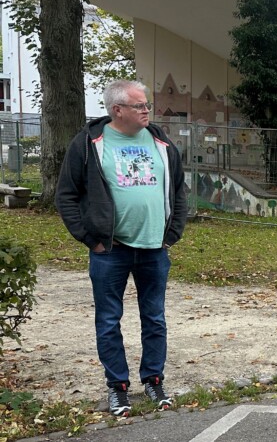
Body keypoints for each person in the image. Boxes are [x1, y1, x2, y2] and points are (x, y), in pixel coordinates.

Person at [56, 80, 187, 417]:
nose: (147, 110)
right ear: (117, 110)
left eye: (146, 105)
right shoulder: (89, 143)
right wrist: (90, 239)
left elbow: (179, 190)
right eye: (139, 106)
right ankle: (118, 387)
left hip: (154, 249)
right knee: (109, 321)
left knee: (154, 318)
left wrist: (172, 233)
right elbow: (66, 195)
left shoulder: (161, 141)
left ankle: (154, 380)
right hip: (110, 250)